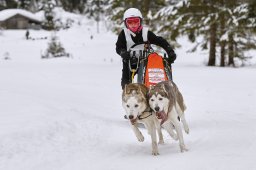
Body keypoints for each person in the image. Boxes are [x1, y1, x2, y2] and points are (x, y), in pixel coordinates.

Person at [116, 8, 177, 89]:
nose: (133, 25)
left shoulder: (145, 33)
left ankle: (152, 91)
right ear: (126, 23)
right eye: (130, 22)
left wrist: (170, 51)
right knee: (126, 83)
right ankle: (127, 96)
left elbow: (160, 41)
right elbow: (118, 47)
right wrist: (123, 52)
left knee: (148, 80)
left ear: (140, 22)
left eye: (136, 22)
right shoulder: (124, 34)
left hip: (145, 61)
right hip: (129, 61)